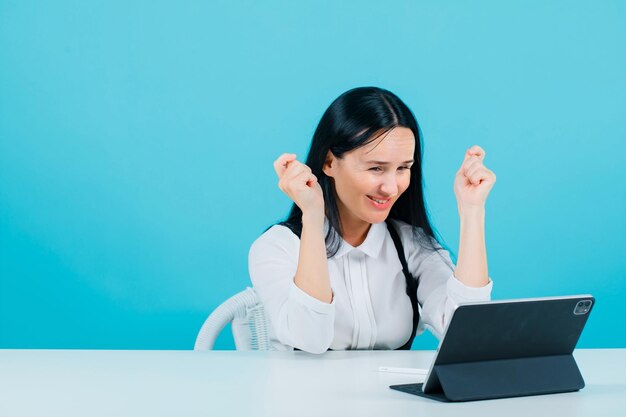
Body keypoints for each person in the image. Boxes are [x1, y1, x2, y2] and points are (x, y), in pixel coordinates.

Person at [248, 86, 496, 353]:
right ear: (329, 162)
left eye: (403, 168)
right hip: (301, 395)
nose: (391, 187)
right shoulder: (277, 247)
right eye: (376, 168)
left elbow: (470, 334)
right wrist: (312, 213)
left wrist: (472, 210)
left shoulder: (410, 244)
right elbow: (310, 339)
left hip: (387, 396)